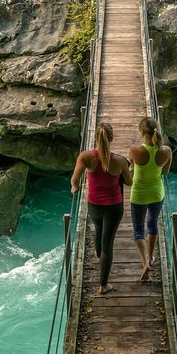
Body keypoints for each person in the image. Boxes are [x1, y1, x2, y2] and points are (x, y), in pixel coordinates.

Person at [71, 122, 132, 294]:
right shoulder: (119, 161)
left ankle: (99, 258)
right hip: (114, 206)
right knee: (108, 243)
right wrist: (127, 169)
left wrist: (74, 187)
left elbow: (75, 179)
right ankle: (103, 284)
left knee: (98, 229)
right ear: (111, 139)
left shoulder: (86, 157)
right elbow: (129, 182)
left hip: (94, 205)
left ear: (95, 138)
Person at [128, 116, 172, 281]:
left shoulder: (134, 150)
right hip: (156, 193)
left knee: (138, 230)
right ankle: (151, 256)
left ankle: (144, 262)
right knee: (152, 225)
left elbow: (131, 166)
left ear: (141, 132)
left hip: (138, 194)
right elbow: (165, 172)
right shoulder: (166, 150)